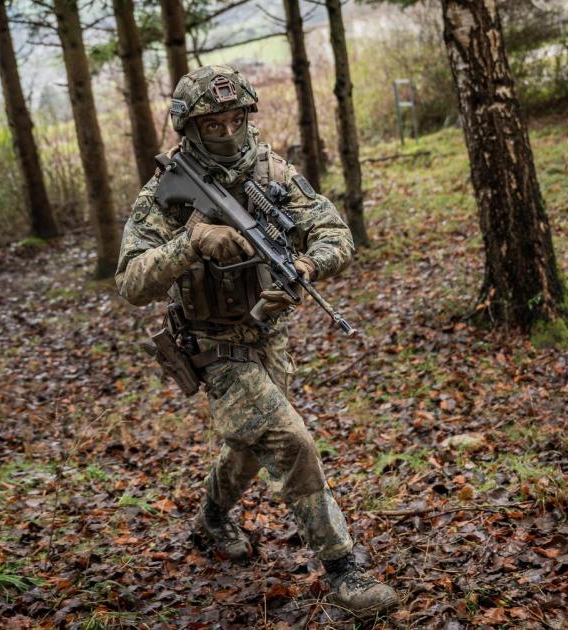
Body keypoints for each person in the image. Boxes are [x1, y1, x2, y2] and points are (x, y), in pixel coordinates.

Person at [115, 65, 398, 617]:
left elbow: (334, 232)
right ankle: (345, 571)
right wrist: (191, 242)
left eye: (236, 120)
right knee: (292, 443)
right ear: (188, 129)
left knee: (248, 447)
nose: (228, 132)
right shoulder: (165, 194)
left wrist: (308, 266)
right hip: (213, 347)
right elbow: (130, 283)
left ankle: (210, 519)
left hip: (269, 339)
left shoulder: (272, 171)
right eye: (212, 124)